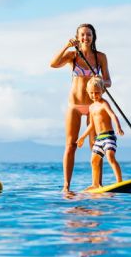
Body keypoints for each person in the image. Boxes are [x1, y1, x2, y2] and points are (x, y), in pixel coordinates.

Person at [50, 23, 112, 192]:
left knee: (96, 144)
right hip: (75, 105)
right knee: (71, 144)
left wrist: (101, 83)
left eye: (89, 34)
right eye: (82, 35)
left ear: (93, 37)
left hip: (94, 106)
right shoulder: (73, 56)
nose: (85, 37)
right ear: (77, 37)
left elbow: (108, 81)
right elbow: (53, 64)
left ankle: (97, 184)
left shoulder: (101, 57)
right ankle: (66, 186)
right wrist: (66, 46)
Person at [76, 76, 124, 190]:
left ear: (103, 90)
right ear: (88, 92)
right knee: (94, 160)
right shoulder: (91, 107)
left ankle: (119, 182)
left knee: (110, 156)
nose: (94, 95)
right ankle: (95, 184)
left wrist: (118, 127)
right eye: (91, 93)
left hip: (108, 136)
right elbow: (91, 125)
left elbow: (113, 115)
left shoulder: (104, 104)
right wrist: (82, 137)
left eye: (97, 92)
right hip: (99, 139)